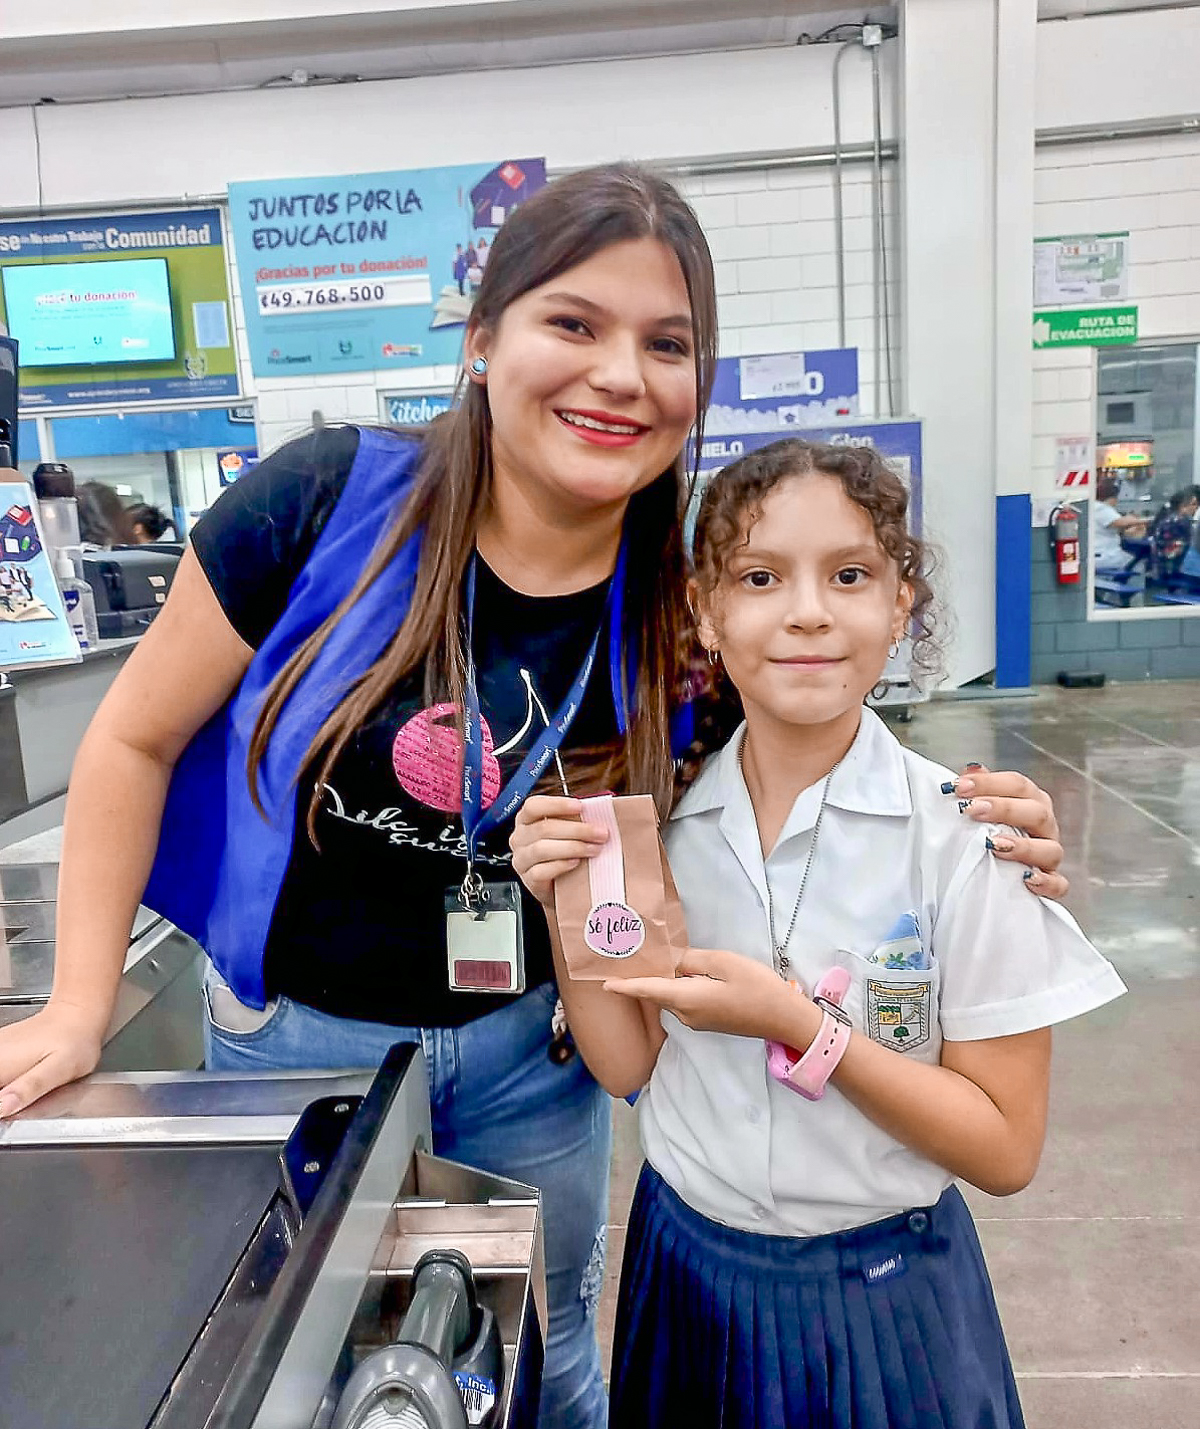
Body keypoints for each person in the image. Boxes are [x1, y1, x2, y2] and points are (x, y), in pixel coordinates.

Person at [0, 169, 1069, 1428]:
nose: (620, 373)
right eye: (575, 323)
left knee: (541, 1355)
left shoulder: (680, 612)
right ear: (482, 340)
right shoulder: (324, 505)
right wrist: (80, 1005)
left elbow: (802, 747)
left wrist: (989, 829)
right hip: (296, 1033)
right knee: (283, 1373)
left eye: (666, 344)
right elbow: (130, 740)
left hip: (534, 1056)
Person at [511, 438, 1124, 1429]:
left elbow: (1006, 1147)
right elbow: (627, 1066)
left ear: (899, 605)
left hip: (883, 1293)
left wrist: (806, 1028)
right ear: (705, 612)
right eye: (760, 577)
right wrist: (560, 899)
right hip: (688, 1274)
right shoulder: (653, 821)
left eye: (849, 574)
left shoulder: (969, 837)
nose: (806, 610)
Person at [1091, 473, 1147, 569]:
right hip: (1105, 556)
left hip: (1099, 555)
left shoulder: (1093, 506)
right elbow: (1122, 522)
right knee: (1140, 564)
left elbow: (1120, 529)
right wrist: (1145, 520)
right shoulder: (1101, 508)